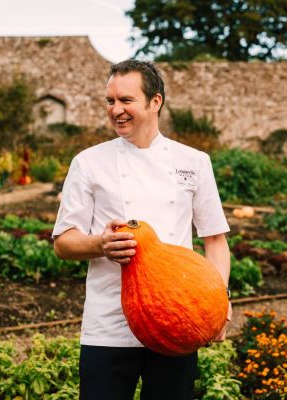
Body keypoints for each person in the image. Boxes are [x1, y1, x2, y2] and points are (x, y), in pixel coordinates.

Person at [52, 59, 231, 400]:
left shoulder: (194, 162)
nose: (115, 109)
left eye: (126, 100)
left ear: (155, 102)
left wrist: (217, 300)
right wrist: (100, 244)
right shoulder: (88, 163)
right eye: (110, 101)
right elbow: (63, 243)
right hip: (107, 326)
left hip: (175, 322)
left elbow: (215, 240)